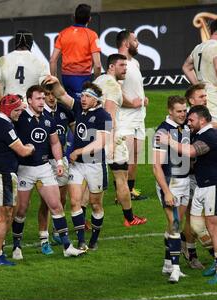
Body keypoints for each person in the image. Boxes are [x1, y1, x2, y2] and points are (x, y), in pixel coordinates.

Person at [157, 105, 217, 285]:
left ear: (202, 120)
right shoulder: (201, 132)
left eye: (191, 120)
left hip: (215, 186)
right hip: (201, 187)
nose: (188, 122)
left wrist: (169, 141)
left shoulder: (210, 137)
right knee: (197, 226)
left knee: (213, 228)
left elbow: (191, 151)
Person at [11, 85, 84, 259]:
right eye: (39, 98)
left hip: (44, 167)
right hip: (24, 169)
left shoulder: (48, 118)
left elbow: (55, 143)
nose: (42, 102)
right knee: (21, 209)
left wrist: (59, 162)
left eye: (43, 98)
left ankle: (67, 246)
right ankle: (16, 246)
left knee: (57, 205)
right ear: (29, 100)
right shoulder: (19, 117)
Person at [94, 53, 147, 227]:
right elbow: (109, 116)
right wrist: (110, 143)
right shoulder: (114, 87)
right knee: (121, 178)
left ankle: (84, 220)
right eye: (122, 66)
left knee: (89, 180)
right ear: (111, 67)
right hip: (110, 138)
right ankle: (129, 218)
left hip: (91, 135)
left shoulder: (99, 81)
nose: (125, 69)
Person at [0, 94, 35, 266]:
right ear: (8, 109)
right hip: (3, 174)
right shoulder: (5, 126)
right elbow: (22, 151)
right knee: (4, 216)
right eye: (17, 110)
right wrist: (31, 147)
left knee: (7, 214)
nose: (19, 113)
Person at [67, 82, 112, 250]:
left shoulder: (105, 117)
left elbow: (100, 143)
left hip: (95, 165)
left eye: (87, 97)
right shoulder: (79, 108)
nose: (83, 99)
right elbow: (62, 95)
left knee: (95, 204)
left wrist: (78, 151)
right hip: (77, 165)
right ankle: (81, 241)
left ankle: (94, 238)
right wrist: (55, 81)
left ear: (96, 100)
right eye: (82, 96)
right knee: (74, 202)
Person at [35, 76, 76, 254]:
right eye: (47, 94)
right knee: (46, 203)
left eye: (53, 94)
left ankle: (57, 232)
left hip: (62, 161)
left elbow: (76, 132)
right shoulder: (37, 112)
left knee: (61, 200)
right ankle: (44, 239)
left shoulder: (65, 111)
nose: (51, 98)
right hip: (43, 163)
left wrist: (76, 152)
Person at [153, 96, 190, 283]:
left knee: (177, 223)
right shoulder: (162, 132)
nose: (183, 114)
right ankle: (175, 269)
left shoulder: (185, 126)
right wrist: (166, 191)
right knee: (175, 223)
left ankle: (167, 263)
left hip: (185, 182)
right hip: (170, 183)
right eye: (179, 111)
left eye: (184, 110)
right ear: (170, 111)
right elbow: (156, 167)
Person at [49, 3, 102, 112]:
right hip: (82, 78)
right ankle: (84, 129)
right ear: (90, 19)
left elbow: (53, 60)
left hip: (66, 78)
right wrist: (96, 82)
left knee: (69, 107)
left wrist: (54, 81)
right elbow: (97, 65)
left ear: (74, 16)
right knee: (82, 110)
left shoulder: (63, 33)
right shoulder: (92, 35)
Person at [117, 29, 149, 201]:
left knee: (136, 154)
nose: (138, 43)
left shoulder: (134, 63)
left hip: (139, 117)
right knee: (124, 156)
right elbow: (117, 92)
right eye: (135, 40)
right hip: (124, 117)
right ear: (126, 43)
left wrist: (143, 99)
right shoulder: (119, 64)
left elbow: (134, 89)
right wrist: (132, 103)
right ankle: (120, 194)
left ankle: (129, 191)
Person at [182, 18, 217, 122]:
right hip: (214, 96)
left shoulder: (198, 47)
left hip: (201, 96)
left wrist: (197, 85)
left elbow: (186, 67)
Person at [0, 29, 49, 103]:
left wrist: (1, 108)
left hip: (9, 107)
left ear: (16, 42)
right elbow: (46, 89)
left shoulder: (2, 60)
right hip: (30, 108)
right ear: (30, 43)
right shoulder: (40, 63)